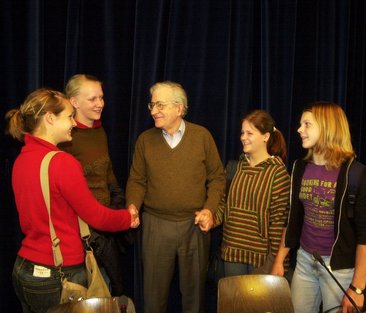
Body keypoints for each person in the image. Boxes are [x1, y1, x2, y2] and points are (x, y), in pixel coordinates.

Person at [5, 88, 139, 313]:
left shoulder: (22, 159)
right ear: (50, 118)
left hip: (24, 269)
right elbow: (96, 216)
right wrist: (128, 218)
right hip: (58, 274)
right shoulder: (62, 162)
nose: (74, 123)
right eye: (68, 116)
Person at [125, 81, 226, 313]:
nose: (153, 111)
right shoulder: (145, 140)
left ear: (179, 108)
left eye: (160, 105)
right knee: (153, 296)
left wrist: (210, 209)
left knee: (195, 296)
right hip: (155, 225)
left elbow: (217, 178)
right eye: (152, 105)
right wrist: (132, 206)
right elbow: (137, 180)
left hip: (195, 225)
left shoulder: (202, 136)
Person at [283, 101, 366, 313]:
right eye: (301, 124)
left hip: (340, 269)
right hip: (305, 262)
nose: (299, 129)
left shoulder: (358, 176)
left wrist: (357, 288)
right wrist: (280, 261)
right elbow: (293, 220)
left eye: (307, 124)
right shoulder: (300, 167)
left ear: (328, 127)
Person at [59, 74, 130, 296]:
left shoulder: (100, 131)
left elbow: (108, 174)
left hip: (105, 226)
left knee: (111, 290)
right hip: (82, 233)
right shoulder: (66, 138)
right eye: (92, 99)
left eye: (101, 98)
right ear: (74, 101)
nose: (100, 104)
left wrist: (118, 205)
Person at [214, 109, 291, 277]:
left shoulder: (278, 173)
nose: (243, 137)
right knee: (234, 303)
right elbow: (223, 205)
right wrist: (211, 219)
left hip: (262, 260)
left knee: (257, 304)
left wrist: (275, 262)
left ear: (265, 136)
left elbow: (279, 224)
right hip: (232, 253)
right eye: (242, 133)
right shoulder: (235, 168)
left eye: (249, 133)